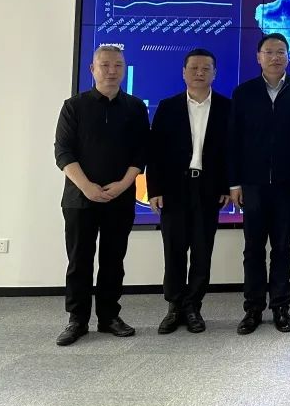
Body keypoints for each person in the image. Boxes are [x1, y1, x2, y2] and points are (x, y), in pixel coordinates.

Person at [53, 45, 150, 346]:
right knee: (79, 260)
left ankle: (109, 317)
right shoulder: (74, 106)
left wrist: (123, 185)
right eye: (105, 65)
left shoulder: (135, 107)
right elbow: (63, 152)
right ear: (92, 69)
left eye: (118, 65)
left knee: (113, 260)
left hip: (120, 197)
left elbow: (141, 152)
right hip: (80, 198)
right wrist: (87, 187)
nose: (111, 70)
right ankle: (77, 320)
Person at [229, 33, 290, 335]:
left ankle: (280, 307)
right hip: (252, 184)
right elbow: (234, 140)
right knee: (253, 249)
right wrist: (234, 183)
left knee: (281, 248)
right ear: (258, 57)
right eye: (269, 52)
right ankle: (253, 308)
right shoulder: (244, 92)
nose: (275, 57)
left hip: (287, 183)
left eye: (281, 52)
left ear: (288, 56)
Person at [146, 48, 231, 335]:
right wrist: (154, 189)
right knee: (174, 249)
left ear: (214, 73)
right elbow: (154, 151)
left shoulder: (226, 107)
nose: (199, 73)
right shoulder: (168, 106)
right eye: (194, 68)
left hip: (209, 189)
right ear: (183, 72)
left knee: (202, 250)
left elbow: (231, 152)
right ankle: (174, 306)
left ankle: (193, 305)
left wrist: (226, 185)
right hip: (173, 189)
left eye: (206, 68)